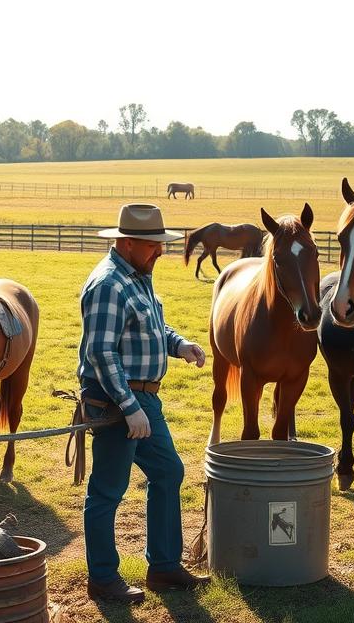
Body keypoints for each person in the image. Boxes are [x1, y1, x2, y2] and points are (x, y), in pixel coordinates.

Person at [78, 203, 210, 603]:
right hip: (118, 402)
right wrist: (128, 406)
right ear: (128, 243)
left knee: (168, 472)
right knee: (107, 490)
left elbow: (151, 327)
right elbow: (101, 352)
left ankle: (164, 566)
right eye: (153, 245)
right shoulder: (108, 284)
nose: (161, 251)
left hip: (144, 398)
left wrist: (179, 344)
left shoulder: (138, 277)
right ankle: (102, 578)